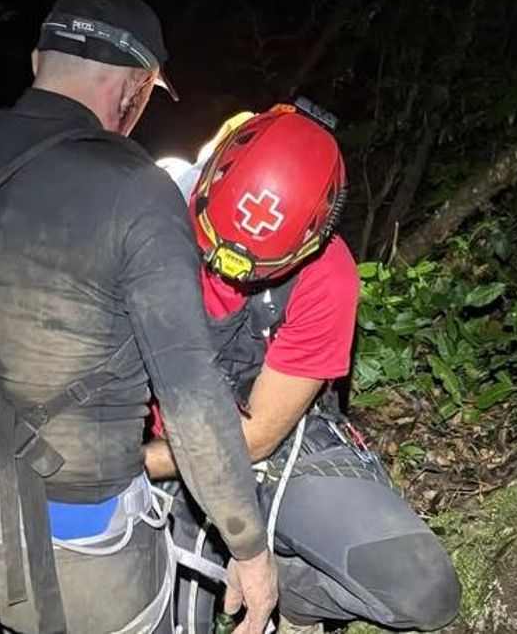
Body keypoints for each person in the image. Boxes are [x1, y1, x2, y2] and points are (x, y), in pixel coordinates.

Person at [0, 0, 277, 633]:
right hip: (86, 561)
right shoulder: (136, 191)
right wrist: (249, 547)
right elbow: (191, 394)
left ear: (37, 62)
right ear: (132, 90)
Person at [143, 107, 462, 632]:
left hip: (271, 454)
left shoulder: (326, 275)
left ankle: (295, 593)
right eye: (214, 248)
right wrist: (111, 467)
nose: (227, 268)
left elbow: (255, 438)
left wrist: (136, 465)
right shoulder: (145, 211)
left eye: (252, 267)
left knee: (422, 590)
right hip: (163, 466)